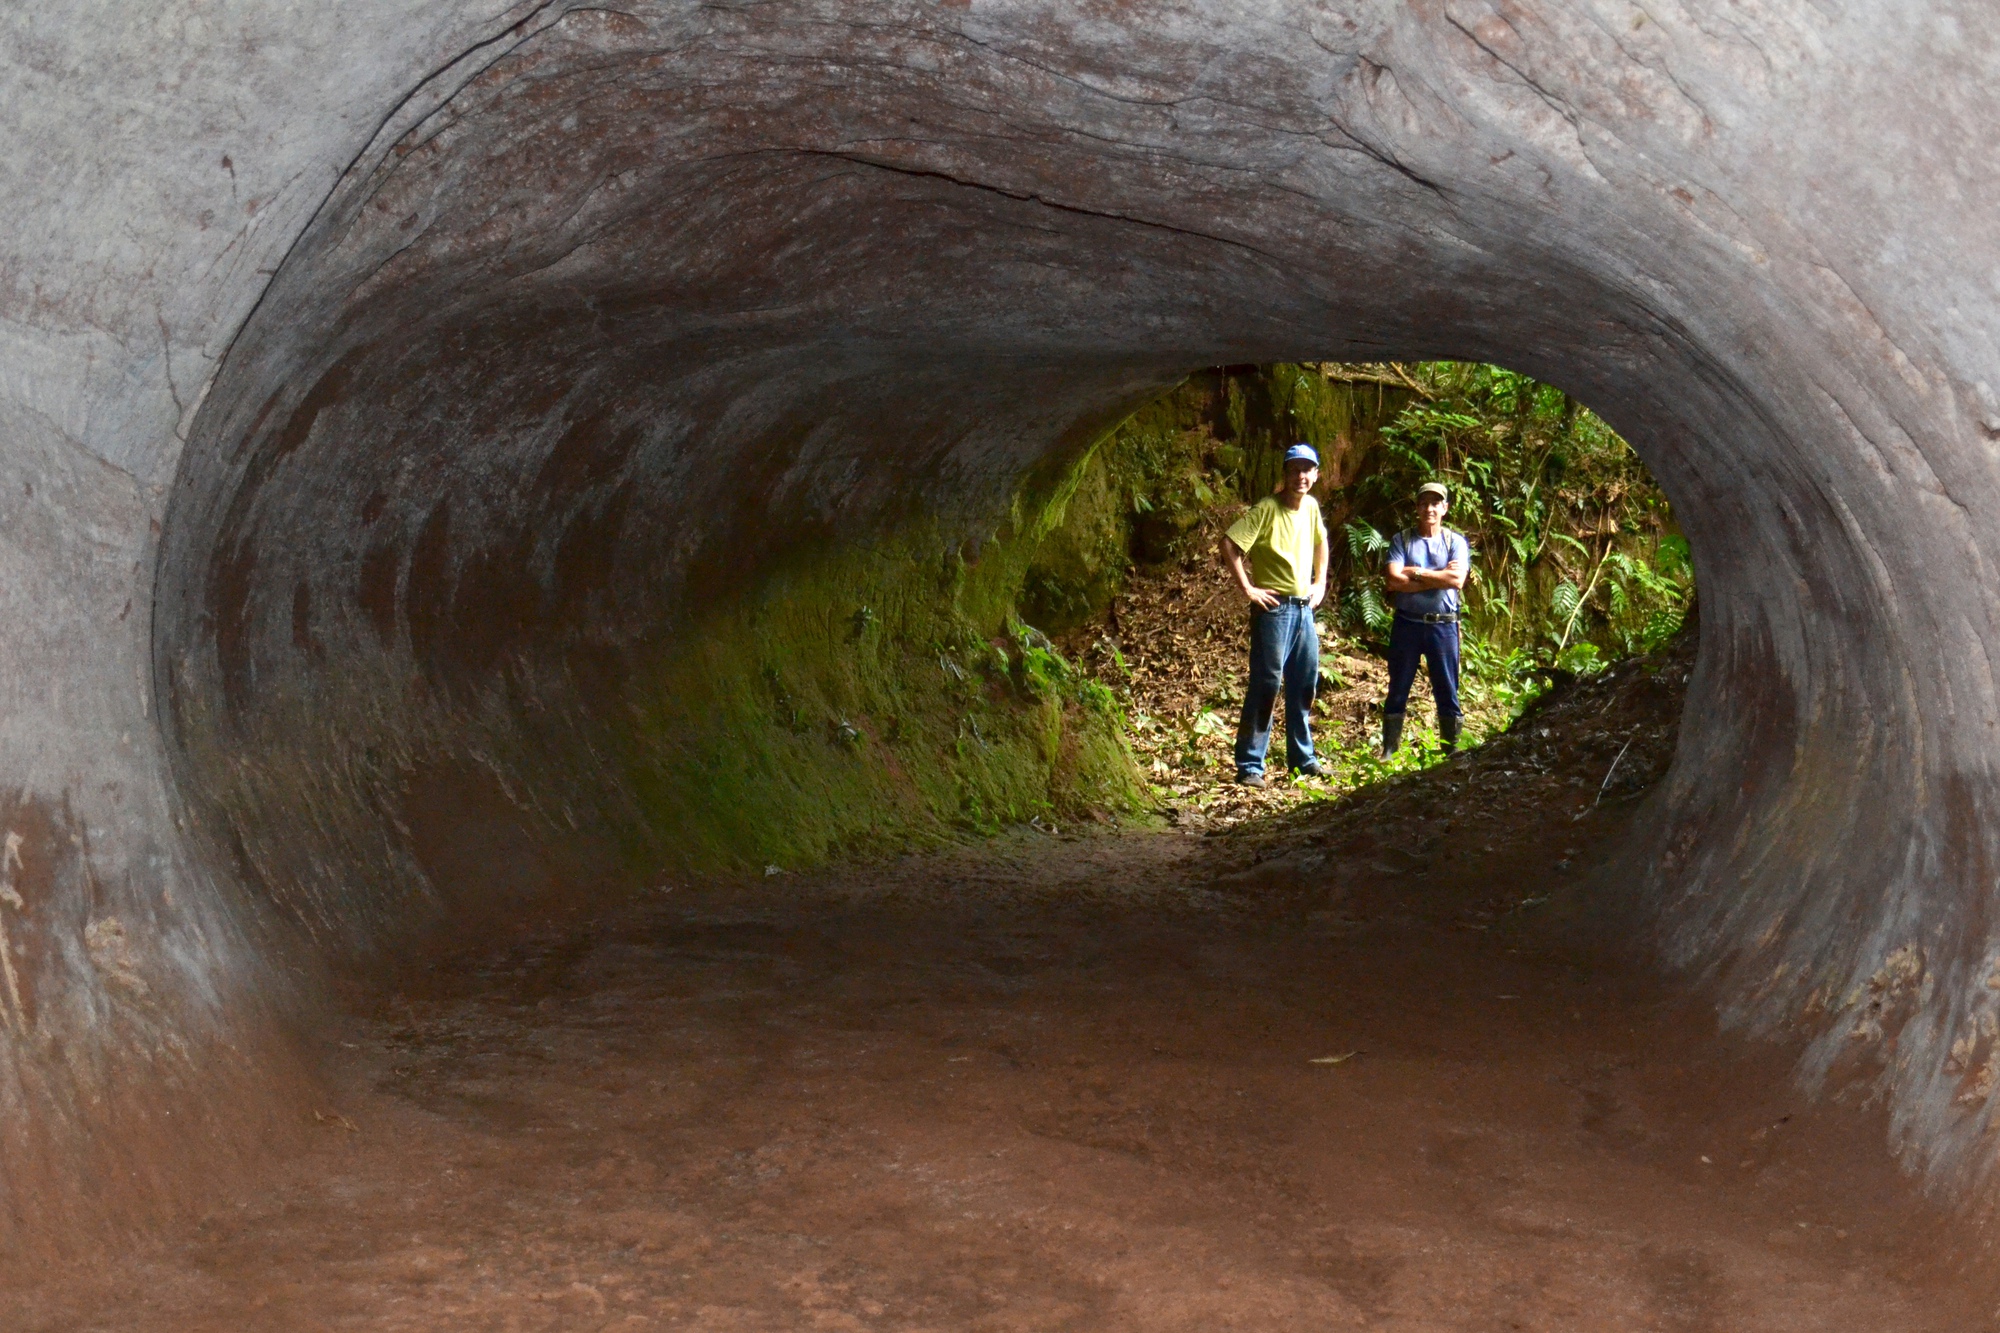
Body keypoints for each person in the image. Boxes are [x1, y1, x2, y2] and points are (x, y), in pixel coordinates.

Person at [1221, 443, 1329, 788]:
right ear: (1284, 474)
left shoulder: (1311, 507)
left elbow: (1320, 542)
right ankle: (1251, 764)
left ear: (1315, 474)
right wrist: (1248, 588)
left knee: (1304, 684)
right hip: (1274, 609)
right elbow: (1230, 544)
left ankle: (1302, 759)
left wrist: (1320, 581)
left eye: (1307, 470)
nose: (1301, 476)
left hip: (1303, 609)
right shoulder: (1267, 509)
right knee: (1267, 684)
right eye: (1294, 470)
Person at [1382, 480, 1470, 755]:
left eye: (1435, 503)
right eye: (1424, 503)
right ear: (1417, 508)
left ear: (1444, 508)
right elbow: (1393, 579)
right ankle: (1389, 750)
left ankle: (1451, 749)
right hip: (1407, 623)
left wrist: (1416, 573)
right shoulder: (1403, 539)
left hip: (1443, 625)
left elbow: (1456, 580)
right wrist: (1437, 578)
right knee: (1398, 686)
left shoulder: (1454, 542)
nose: (1429, 508)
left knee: (1447, 688)